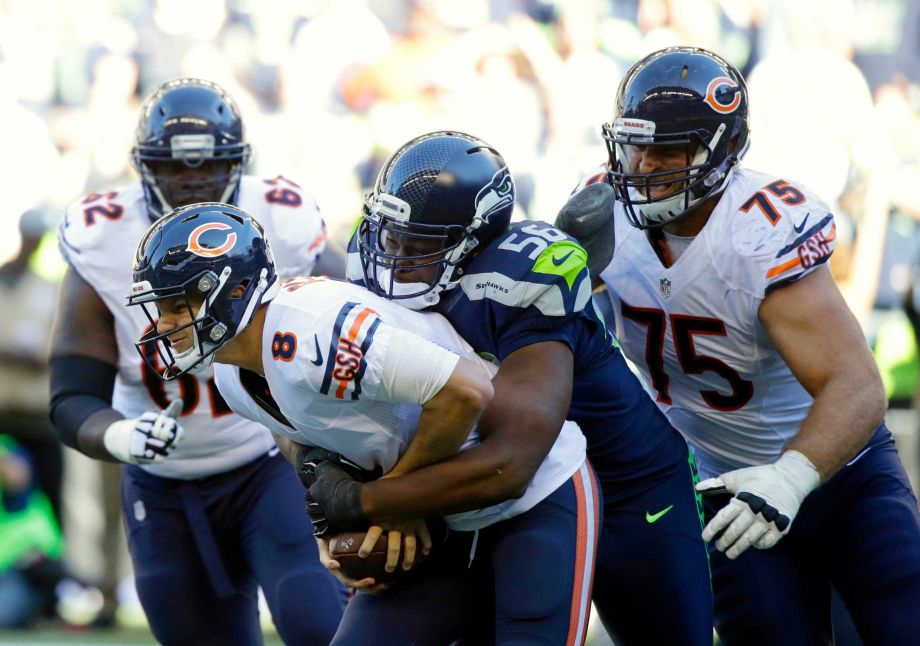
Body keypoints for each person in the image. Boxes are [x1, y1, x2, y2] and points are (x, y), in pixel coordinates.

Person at [563, 46, 920, 644]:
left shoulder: (758, 228)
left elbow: (857, 387)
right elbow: (554, 342)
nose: (644, 165)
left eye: (667, 150)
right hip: (725, 489)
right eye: (634, 145)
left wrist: (788, 478)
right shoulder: (601, 214)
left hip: (842, 475)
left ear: (721, 152)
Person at [127, 201, 598, 646]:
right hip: (440, 519)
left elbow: (466, 390)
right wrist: (325, 509)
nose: (163, 323)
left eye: (175, 305)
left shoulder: (312, 331)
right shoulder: (232, 373)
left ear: (233, 293)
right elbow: (293, 433)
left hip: (535, 496)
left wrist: (394, 498)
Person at [320, 130, 713, 645]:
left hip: (618, 486)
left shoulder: (523, 277)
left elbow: (512, 461)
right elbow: (326, 408)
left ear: (475, 243)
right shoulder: (368, 263)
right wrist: (327, 509)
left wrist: (366, 503)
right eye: (391, 236)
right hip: (455, 493)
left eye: (422, 245)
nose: (397, 256)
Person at [49, 78, 344, 645]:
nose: (191, 184)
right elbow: (71, 394)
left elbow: (355, 320)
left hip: (268, 462)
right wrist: (121, 437)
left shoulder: (279, 220)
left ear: (237, 164)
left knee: (318, 626)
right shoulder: (103, 237)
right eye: (175, 169)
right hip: (162, 486)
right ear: (143, 167)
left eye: (209, 168)